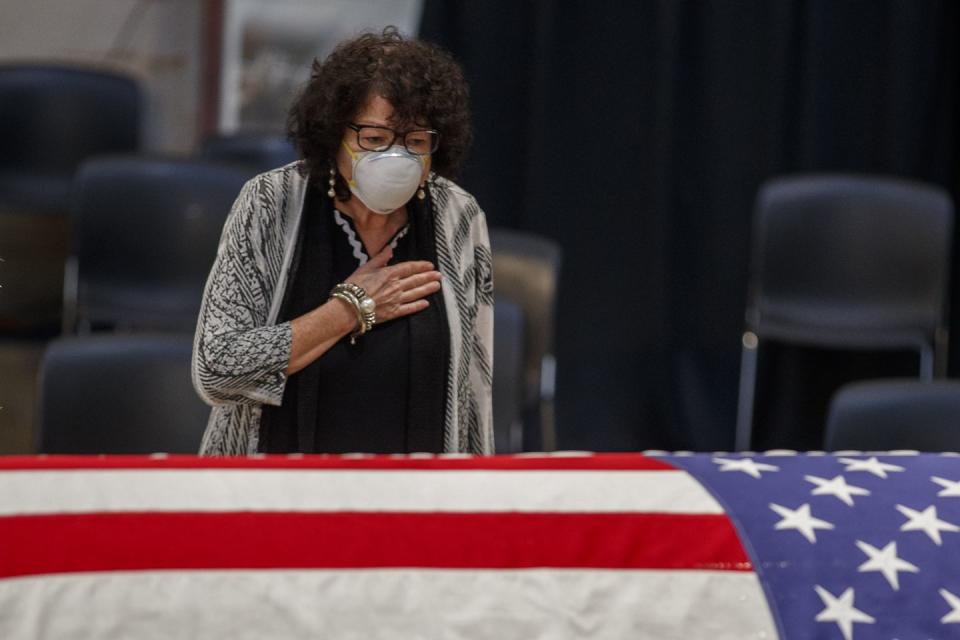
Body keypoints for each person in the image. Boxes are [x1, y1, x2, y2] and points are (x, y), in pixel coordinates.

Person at [192, 27, 493, 455]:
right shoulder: (268, 203)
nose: (397, 158)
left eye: (416, 142)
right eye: (374, 139)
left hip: (413, 500)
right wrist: (350, 309)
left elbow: (474, 397)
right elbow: (217, 368)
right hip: (277, 497)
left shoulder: (458, 217)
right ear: (334, 135)